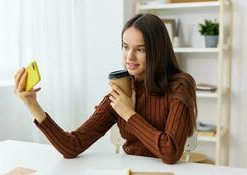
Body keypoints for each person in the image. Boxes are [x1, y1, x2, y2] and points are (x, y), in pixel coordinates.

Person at [14, 14, 197, 164]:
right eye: (126, 47)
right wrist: (32, 105)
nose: (129, 56)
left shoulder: (180, 85)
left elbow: (170, 151)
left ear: (157, 51)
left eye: (141, 49)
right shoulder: (122, 88)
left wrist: (129, 114)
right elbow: (72, 146)